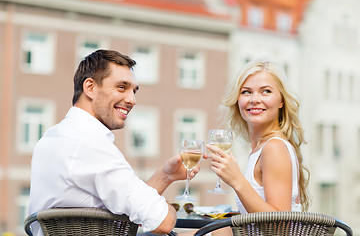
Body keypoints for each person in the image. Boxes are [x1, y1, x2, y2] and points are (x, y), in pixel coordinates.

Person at [28, 49, 199, 236]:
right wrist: (165, 207)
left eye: (134, 91)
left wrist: (165, 175)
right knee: (214, 233)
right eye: (121, 87)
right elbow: (162, 222)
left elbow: (124, 202)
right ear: (90, 88)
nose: (132, 100)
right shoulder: (90, 143)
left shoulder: (53, 136)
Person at [207, 60, 310, 234]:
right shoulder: (261, 147)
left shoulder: (274, 148)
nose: (255, 99)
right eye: (246, 92)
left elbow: (279, 227)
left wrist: (236, 180)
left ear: (281, 101)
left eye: (266, 92)